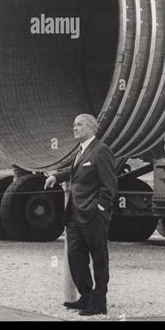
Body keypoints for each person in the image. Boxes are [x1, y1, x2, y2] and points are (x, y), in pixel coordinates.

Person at [44, 114, 117, 315]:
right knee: (75, 256)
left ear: (93, 128)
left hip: (92, 215)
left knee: (99, 258)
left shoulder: (101, 151)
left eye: (80, 124)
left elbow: (109, 186)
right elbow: (75, 171)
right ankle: (86, 297)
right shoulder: (82, 151)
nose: (75, 128)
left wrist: (99, 209)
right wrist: (55, 176)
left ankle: (99, 302)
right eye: (74, 124)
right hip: (74, 215)